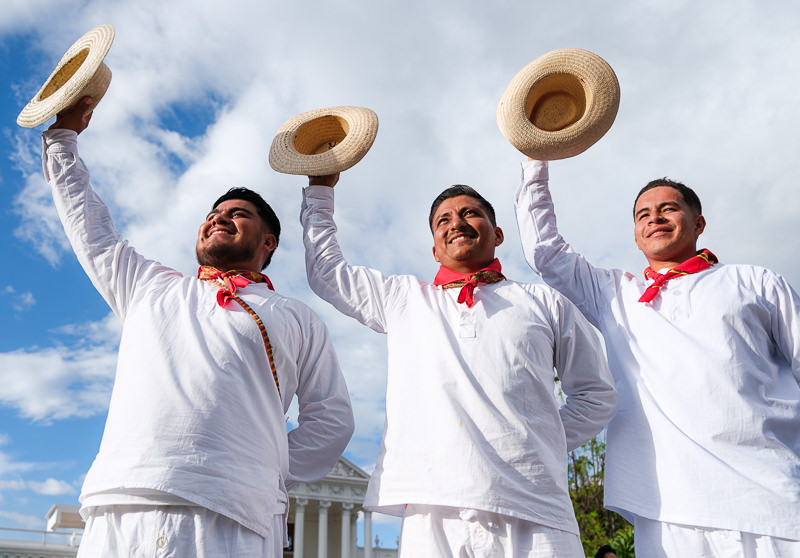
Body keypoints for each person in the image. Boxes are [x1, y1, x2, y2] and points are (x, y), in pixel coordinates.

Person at [40, 97, 354, 557]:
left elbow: (331, 419)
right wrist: (63, 139)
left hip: (233, 518)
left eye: (239, 214)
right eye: (213, 214)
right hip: (123, 504)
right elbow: (89, 227)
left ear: (268, 242)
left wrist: (258, 468)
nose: (219, 217)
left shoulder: (297, 316)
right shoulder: (147, 284)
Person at [300, 172, 617, 557]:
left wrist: (534, 440)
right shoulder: (403, 298)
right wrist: (320, 190)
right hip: (432, 509)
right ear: (435, 249)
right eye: (443, 220)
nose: (456, 223)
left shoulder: (545, 302)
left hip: (537, 509)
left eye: (470, 213)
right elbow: (327, 272)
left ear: (497, 234)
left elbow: (596, 395)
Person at [515, 159, 800, 556]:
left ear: (698, 223)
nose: (655, 218)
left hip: (771, 497)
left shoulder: (755, 282)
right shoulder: (614, 294)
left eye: (668, 208)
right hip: (666, 509)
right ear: (636, 236)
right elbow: (545, 252)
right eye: (643, 215)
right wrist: (535, 161)